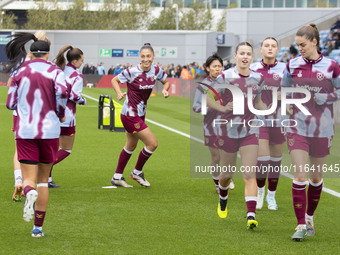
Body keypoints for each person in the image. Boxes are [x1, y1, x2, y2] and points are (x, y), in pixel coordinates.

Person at [6, 32, 68, 237]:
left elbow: (10, 104)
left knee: (29, 180)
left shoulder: (19, 72)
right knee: (43, 181)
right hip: (49, 132)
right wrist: (59, 114)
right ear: (48, 54)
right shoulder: (56, 72)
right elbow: (62, 94)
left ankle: (28, 192)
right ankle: (37, 228)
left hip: (25, 131)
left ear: (31, 54)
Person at [282, 23, 340, 241]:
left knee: (316, 178)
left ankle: (309, 217)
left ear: (314, 42)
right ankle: (299, 226)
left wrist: (327, 97)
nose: (300, 49)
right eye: (297, 45)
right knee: (300, 175)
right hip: (297, 126)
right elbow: (285, 89)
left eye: (303, 45)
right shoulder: (292, 64)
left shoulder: (332, 66)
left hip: (323, 128)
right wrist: (287, 103)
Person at [207, 42, 268, 229]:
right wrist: (221, 107)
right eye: (241, 53)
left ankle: (250, 214)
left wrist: (270, 113)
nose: (245, 56)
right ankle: (223, 196)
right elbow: (208, 97)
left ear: (252, 57)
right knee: (226, 175)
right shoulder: (225, 76)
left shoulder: (258, 78)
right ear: (235, 56)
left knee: (249, 173)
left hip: (250, 130)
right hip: (228, 131)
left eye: (248, 53)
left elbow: (258, 102)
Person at [110, 43, 169, 187]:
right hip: (130, 114)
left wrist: (165, 90)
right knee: (152, 143)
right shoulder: (132, 71)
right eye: (143, 56)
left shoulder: (156, 70)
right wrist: (118, 92)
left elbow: (166, 81)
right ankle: (137, 172)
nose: (146, 59)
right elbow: (114, 80)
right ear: (140, 57)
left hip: (140, 113)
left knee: (130, 145)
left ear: (153, 56)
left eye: (148, 56)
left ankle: (117, 177)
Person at [7, 30, 51, 201]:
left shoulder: (23, 64)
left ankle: (21, 181)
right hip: (40, 114)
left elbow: (11, 84)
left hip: (21, 112)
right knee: (40, 148)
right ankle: (35, 182)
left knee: (20, 149)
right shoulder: (46, 66)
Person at [250, 37, 286, 210]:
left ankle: (272, 196)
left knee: (275, 160)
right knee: (263, 159)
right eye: (266, 46)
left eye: (273, 46)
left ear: (278, 50)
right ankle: (260, 192)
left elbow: (294, 90)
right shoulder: (253, 69)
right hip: (260, 119)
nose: (270, 48)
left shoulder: (285, 69)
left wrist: (283, 97)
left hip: (279, 120)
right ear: (261, 49)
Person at [193, 53, 235, 193]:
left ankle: (227, 177)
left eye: (220, 66)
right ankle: (218, 183)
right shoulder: (204, 86)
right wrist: (213, 105)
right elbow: (196, 107)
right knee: (216, 157)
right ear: (208, 68)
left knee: (227, 154)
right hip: (211, 126)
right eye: (214, 66)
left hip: (227, 125)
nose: (218, 69)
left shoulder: (228, 83)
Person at [48, 45, 86, 188]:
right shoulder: (77, 75)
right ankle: (44, 168)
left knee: (52, 147)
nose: (82, 63)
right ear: (75, 61)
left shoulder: (57, 70)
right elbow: (74, 96)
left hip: (52, 114)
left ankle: (47, 178)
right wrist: (84, 100)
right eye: (81, 60)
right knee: (66, 149)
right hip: (67, 116)